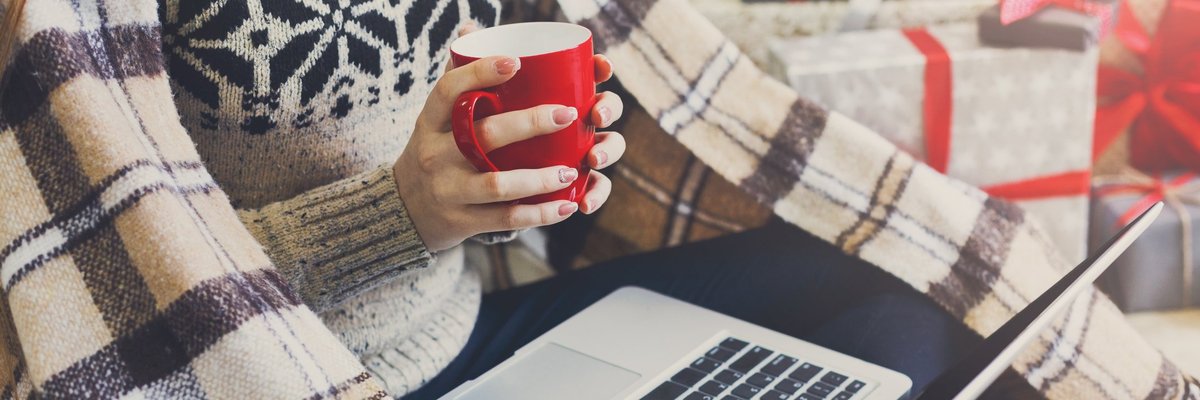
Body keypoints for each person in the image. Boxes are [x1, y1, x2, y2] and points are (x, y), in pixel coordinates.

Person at [2, 0, 984, 397]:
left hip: (481, 326)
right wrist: (399, 215)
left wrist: (589, 144)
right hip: (288, 376)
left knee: (909, 291)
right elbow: (82, 301)